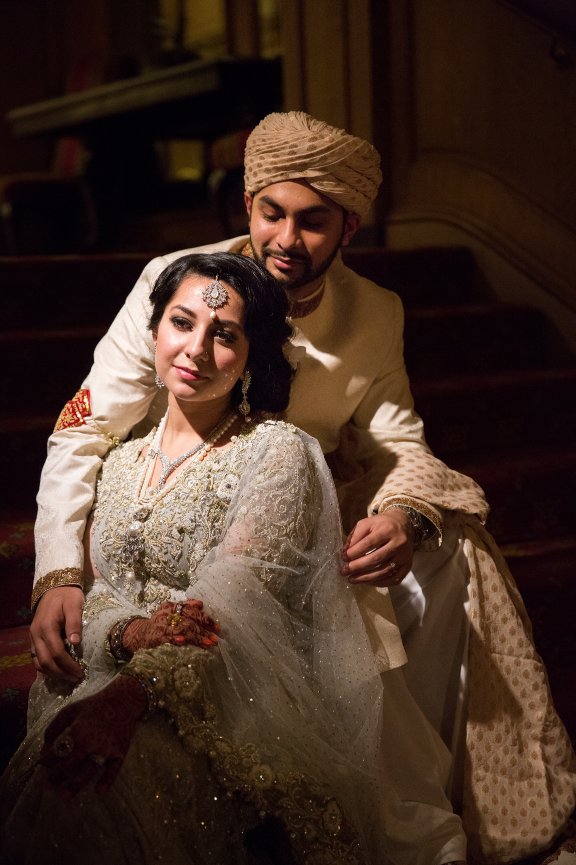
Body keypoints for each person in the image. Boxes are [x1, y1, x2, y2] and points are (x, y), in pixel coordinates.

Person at [29, 112, 575, 864]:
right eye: (271, 213)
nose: (287, 238)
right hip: (168, 513)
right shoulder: (179, 281)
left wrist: (405, 514)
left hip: (292, 518)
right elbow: (84, 427)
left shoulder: (375, 312)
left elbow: (397, 441)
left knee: (452, 548)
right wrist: (58, 571)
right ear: (246, 206)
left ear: (350, 226)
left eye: (313, 221)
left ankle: (432, 792)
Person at [1, 252, 467, 865]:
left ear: (253, 356)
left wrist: (134, 693)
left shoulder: (278, 453)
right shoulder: (118, 462)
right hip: (107, 671)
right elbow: (104, 593)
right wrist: (123, 635)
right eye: (181, 323)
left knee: (102, 795)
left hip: (229, 695)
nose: (196, 349)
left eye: (224, 335)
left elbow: (237, 598)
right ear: (153, 331)